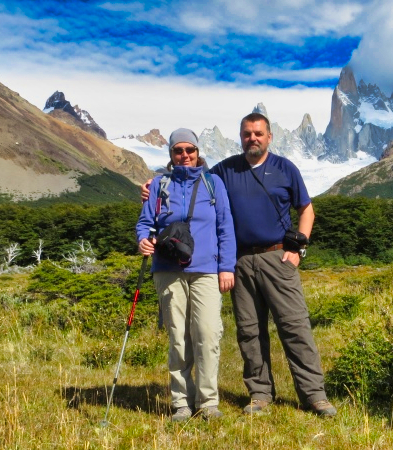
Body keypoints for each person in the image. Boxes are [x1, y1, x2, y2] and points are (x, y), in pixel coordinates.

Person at [141, 113, 336, 417]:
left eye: (258, 133)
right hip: (241, 260)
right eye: (247, 134)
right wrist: (152, 185)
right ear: (241, 137)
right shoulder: (225, 170)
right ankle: (260, 393)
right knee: (249, 331)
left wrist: (299, 248)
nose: (252, 138)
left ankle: (314, 395)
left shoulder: (285, 168)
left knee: (294, 326)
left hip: (277, 256)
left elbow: (306, 209)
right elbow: (189, 178)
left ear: (269, 136)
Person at [136, 128, 236, 422]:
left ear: (197, 152)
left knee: (207, 333)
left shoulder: (213, 183)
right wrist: (142, 240)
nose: (184, 155)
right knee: (178, 337)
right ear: (171, 154)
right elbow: (145, 223)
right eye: (178, 150)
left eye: (189, 150)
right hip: (168, 270)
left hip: (206, 270)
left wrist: (227, 267)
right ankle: (182, 402)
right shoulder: (158, 184)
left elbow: (225, 227)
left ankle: (208, 402)